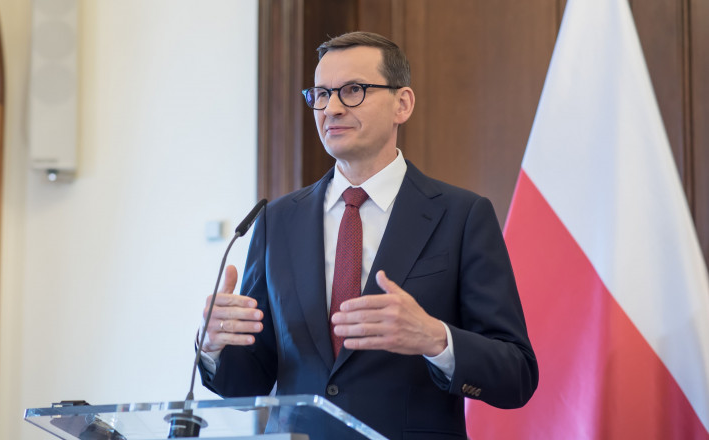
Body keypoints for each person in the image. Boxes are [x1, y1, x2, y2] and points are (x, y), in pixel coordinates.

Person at [198, 31, 538, 439]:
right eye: (320, 95)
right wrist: (214, 347)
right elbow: (248, 380)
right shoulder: (277, 221)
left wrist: (435, 338)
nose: (332, 108)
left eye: (353, 90)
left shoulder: (462, 215)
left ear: (402, 103)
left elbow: (516, 373)